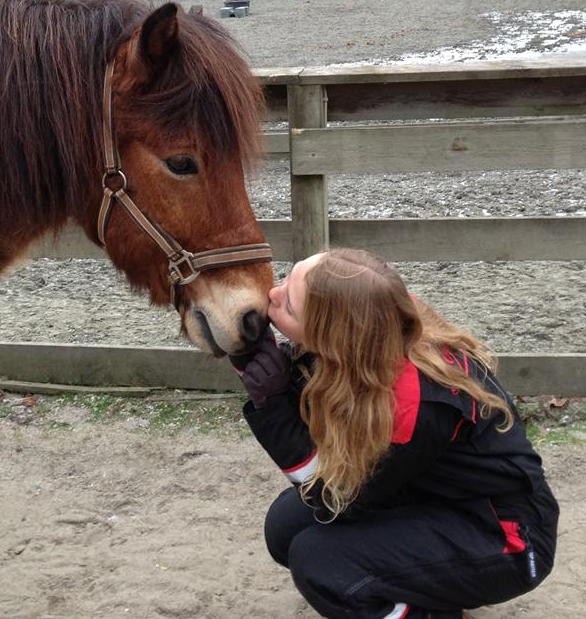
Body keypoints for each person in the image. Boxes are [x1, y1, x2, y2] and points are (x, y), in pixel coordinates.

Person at [231, 248, 558, 619]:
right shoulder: (381, 323)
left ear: (331, 337)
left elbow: (335, 497)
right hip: (432, 496)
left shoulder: (412, 407)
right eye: (289, 277)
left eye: (288, 305)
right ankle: (423, 586)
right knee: (284, 529)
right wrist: (278, 372)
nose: (273, 292)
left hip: (505, 539)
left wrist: (273, 406)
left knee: (320, 564)